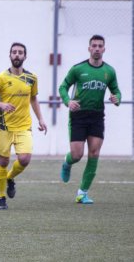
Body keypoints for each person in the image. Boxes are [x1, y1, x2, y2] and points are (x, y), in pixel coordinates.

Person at [0, 42, 47, 210]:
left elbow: (33, 99)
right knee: (3, 162)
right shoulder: (1, 78)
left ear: (25, 56)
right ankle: (1, 197)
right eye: (14, 52)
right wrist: (1, 105)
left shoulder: (32, 78)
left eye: (20, 52)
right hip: (4, 127)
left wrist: (41, 119)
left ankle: (10, 178)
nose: (17, 55)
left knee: (24, 159)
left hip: (24, 126)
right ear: (10, 55)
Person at [59, 34, 121, 204]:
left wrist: (117, 99)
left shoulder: (109, 71)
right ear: (89, 48)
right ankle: (67, 162)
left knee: (94, 153)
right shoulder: (78, 69)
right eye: (94, 45)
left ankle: (82, 193)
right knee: (77, 155)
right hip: (78, 115)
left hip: (97, 116)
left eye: (100, 46)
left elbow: (116, 91)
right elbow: (63, 87)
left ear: (104, 49)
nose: (96, 48)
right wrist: (67, 101)